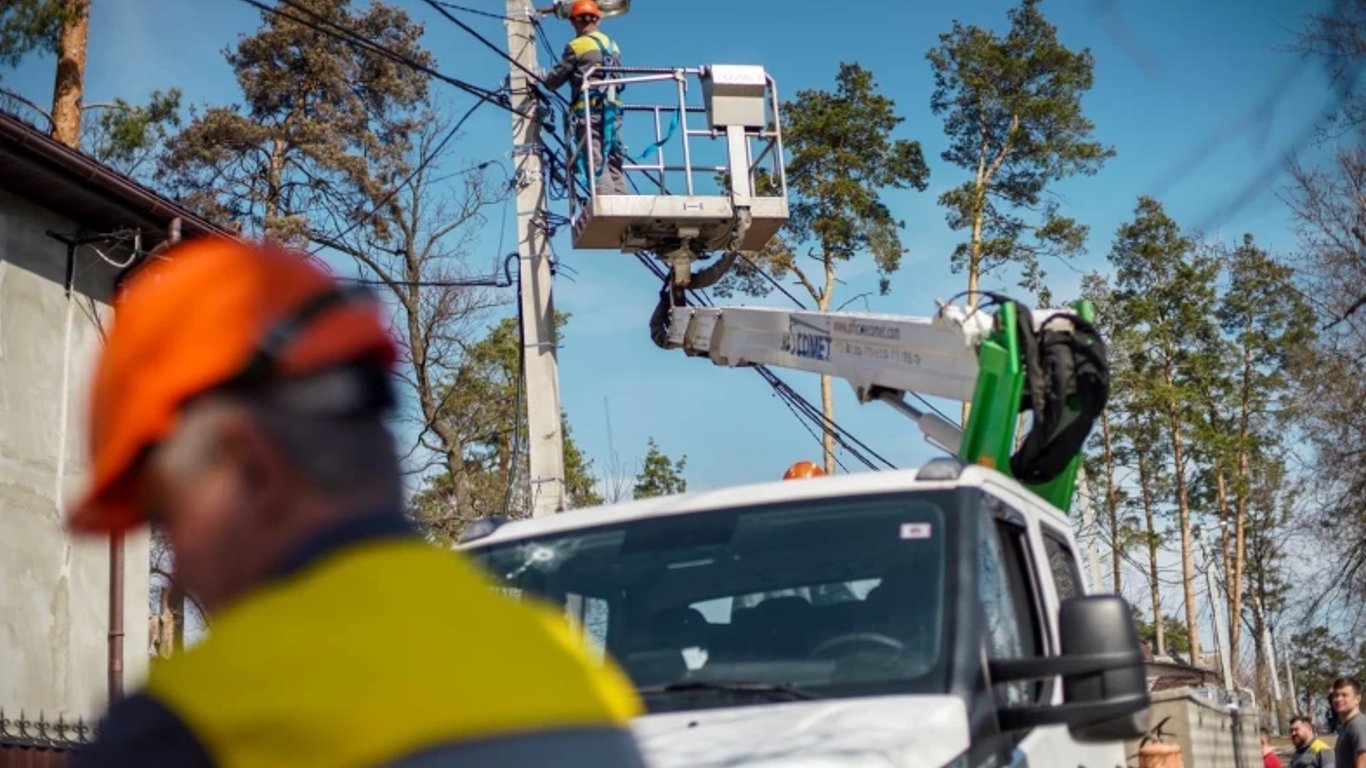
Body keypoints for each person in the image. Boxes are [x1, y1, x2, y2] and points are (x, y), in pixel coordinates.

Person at [66, 238, 647, 767]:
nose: (176, 578)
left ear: (250, 467)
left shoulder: (196, 727)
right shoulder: (572, 672)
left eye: (167, 517)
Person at [543, 0, 628, 195]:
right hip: (613, 113)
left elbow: (555, 80)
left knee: (595, 158)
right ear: (597, 20)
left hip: (590, 113)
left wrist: (541, 77)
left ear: (576, 21)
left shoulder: (577, 45)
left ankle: (607, 204)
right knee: (614, 161)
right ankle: (624, 203)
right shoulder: (612, 45)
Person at [1331, 677, 1366, 768]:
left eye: (1344, 695)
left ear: (1357, 699)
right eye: (1336, 695)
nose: (1338, 699)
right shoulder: (1347, 727)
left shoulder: (1359, 725)